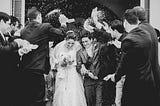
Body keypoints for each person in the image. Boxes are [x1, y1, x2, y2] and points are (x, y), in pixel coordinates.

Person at [104, 9, 158, 106]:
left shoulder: (128, 40)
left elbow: (124, 65)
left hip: (134, 84)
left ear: (125, 22)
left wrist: (115, 77)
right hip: (148, 81)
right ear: (137, 21)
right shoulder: (146, 34)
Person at [19, 7, 67, 106]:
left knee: (27, 99)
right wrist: (63, 23)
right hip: (37, 69)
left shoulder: (23, 31)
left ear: (29, 19)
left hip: (24, 69)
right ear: (39, 17)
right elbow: (61, 33)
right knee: (38, 99)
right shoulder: (45, 27)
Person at [0, 11, 35, 105]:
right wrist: (17, 43)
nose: (9, 26)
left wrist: (20, 52)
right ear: (1, 22)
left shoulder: (3, 35)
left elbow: (7, 54)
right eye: (8, 23)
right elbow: (2, 51)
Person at [76, 31, 117, 106]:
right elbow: (78, 66)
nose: (85, 44)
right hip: (88, 81)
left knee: (99, 102)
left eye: (86, 41)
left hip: (99, 79)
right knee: (89, 102)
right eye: (83, 42)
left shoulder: (99, 48)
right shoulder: (79, 52)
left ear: (91, 40)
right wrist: (86, 72)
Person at [50, 30, 87, 106]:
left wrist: (73, 62)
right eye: (68, 43)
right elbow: (54, 60)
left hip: (73, 72)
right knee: (61, 92)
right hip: (62, 72)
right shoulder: (58, 47)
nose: (70, 45)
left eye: (72, 43)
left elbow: (80, 60)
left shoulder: (77, 47)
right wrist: (61, 63)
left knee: (74, 91)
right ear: (65, 40)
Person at [132, 6, 160, 99]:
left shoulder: (140, 30)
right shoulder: (151, 28)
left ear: (135, 17)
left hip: (144, 77)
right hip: (153, 74)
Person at [110, 19, 127, 106]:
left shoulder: (125, 40)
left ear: (115, 31)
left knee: (119, 101)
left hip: (123, 76)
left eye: (110, 30)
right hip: (119, 75)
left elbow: (123, 60)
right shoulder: (119, 39)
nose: (110, 32)